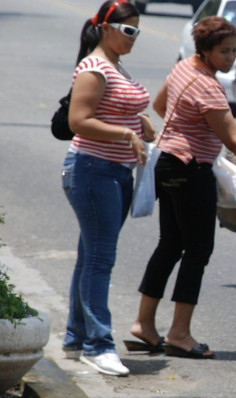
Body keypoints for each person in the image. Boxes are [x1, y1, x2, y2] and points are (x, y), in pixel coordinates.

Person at [127, 16, 236, 359]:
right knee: (198, 250)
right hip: (191, 170)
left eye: (234, 50)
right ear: (204, 50)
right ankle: (179, 333)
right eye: (224, 51)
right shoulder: (207, 87)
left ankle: (144, 325)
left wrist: (187, 129)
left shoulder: (183, 68)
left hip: (168, 164)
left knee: (171, 245)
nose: (231, 58)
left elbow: (160, 107)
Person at [61, 0, 156, 377]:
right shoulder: (94, 67)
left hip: (116, 173)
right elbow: (78, 120)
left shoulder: (116, 64)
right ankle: (98, 346)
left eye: (137, 30)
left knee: (89, 257)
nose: (134, 37)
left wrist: (141, 121)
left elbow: (117, 106)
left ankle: (75, 337)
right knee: (100, 260)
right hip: (91, 171)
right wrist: (126, 132)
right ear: (106, 28)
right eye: (128, 30)